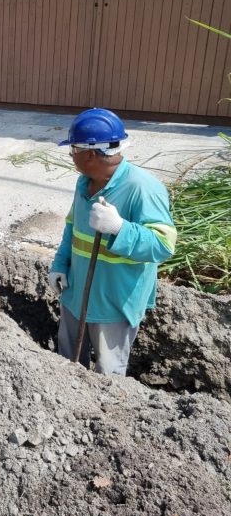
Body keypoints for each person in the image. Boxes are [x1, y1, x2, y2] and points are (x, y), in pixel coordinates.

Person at [48, 108, 176, 376]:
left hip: (114, 304)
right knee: (65, 365)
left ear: (91, 154)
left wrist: (120, 228)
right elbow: (72, 227)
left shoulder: (142, 188)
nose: (72, 157)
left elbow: (163, 245)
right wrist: (60, 264)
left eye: (73, 151)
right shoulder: (84, 184)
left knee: (108, 374)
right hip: (76, 294)